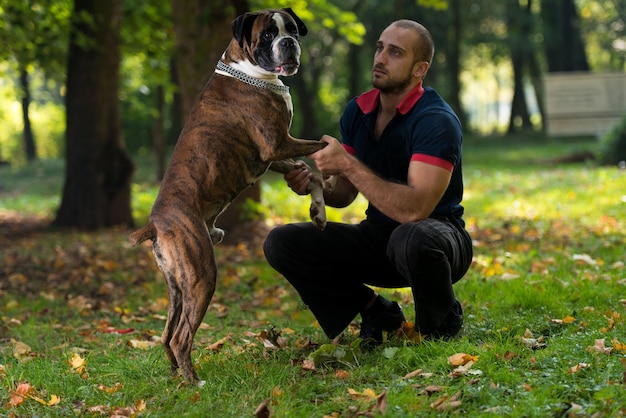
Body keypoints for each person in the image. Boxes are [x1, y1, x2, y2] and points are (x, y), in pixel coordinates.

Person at [263, 19, 473, 345]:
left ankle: (440, 323)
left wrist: (348, 163)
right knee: (281, 242)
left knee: (411, 236)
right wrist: (315, 184)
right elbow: (344, 193)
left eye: (395, 52)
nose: (380, 58)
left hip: (438, 239)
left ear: (420, 69)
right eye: (379, 47)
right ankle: (377, 312)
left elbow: (416, 209)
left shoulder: (436, 120)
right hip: (378, 238)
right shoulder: (358, 112)